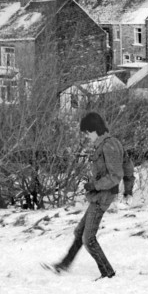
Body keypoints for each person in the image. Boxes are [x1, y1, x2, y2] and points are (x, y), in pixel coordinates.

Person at [46, 111, 124, 279]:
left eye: (87, 133)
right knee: (79, 231)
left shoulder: (108, 146)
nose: (87, 137)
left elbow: (115, 175)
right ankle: (64, 264)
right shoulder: (105, 144)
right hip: (98, 195)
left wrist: (94, 184)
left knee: (88, 238)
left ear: (94, 130)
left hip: (102, 197)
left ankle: (108, 273)